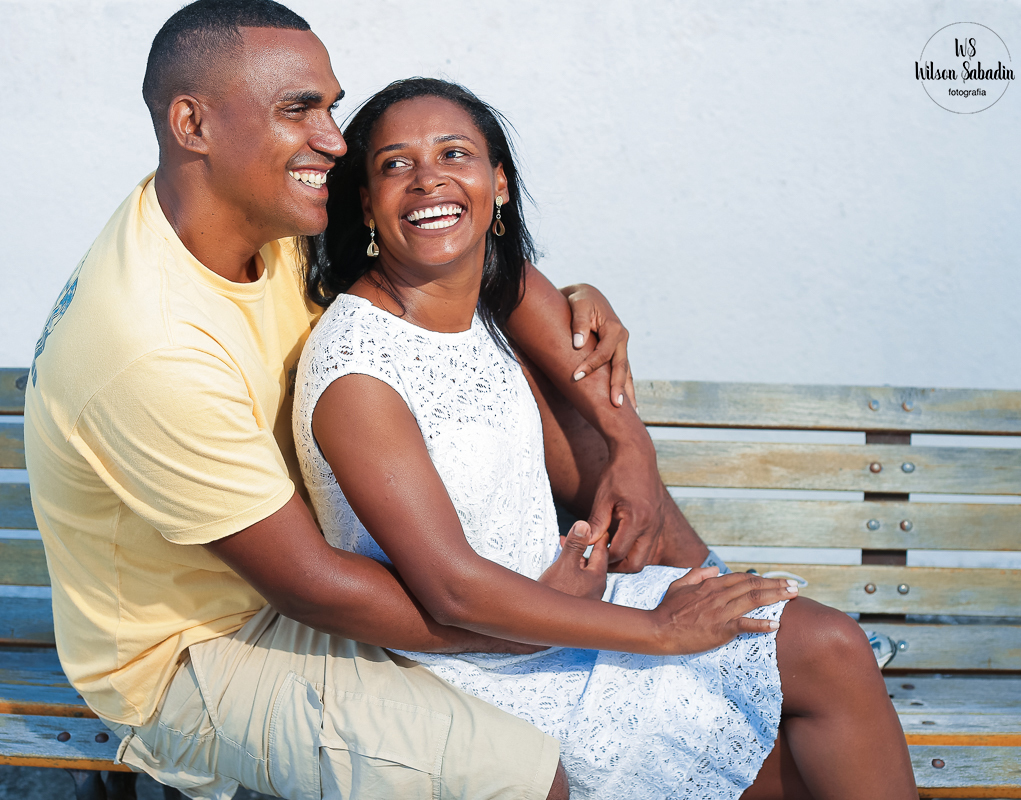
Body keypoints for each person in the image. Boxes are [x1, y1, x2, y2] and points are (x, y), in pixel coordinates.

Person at [22, 2, 731, 798]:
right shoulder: (148, 344)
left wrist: (624, 432)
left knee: (581, 434)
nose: (334, 138)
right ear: (194, 123)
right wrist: (530, 622)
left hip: (342, 564)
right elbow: (312, 587)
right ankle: (690, 635)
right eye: (300, 109)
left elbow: (479, 264)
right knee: (522, 776)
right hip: (205, 651)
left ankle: (731, 615)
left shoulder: (258, 212)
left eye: (329, 104)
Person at [295, 78, 919, 800]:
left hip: (570, 603)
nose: (429, 177)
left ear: (497, 184)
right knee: (796, 773)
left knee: (836, 648)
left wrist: (634, 450)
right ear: (368, 204)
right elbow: (453, 591)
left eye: (454, 153)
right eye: (395, 164)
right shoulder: (358, 373)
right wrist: (661, 629)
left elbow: (581, 352)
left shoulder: (493, 283)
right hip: (475, 666)